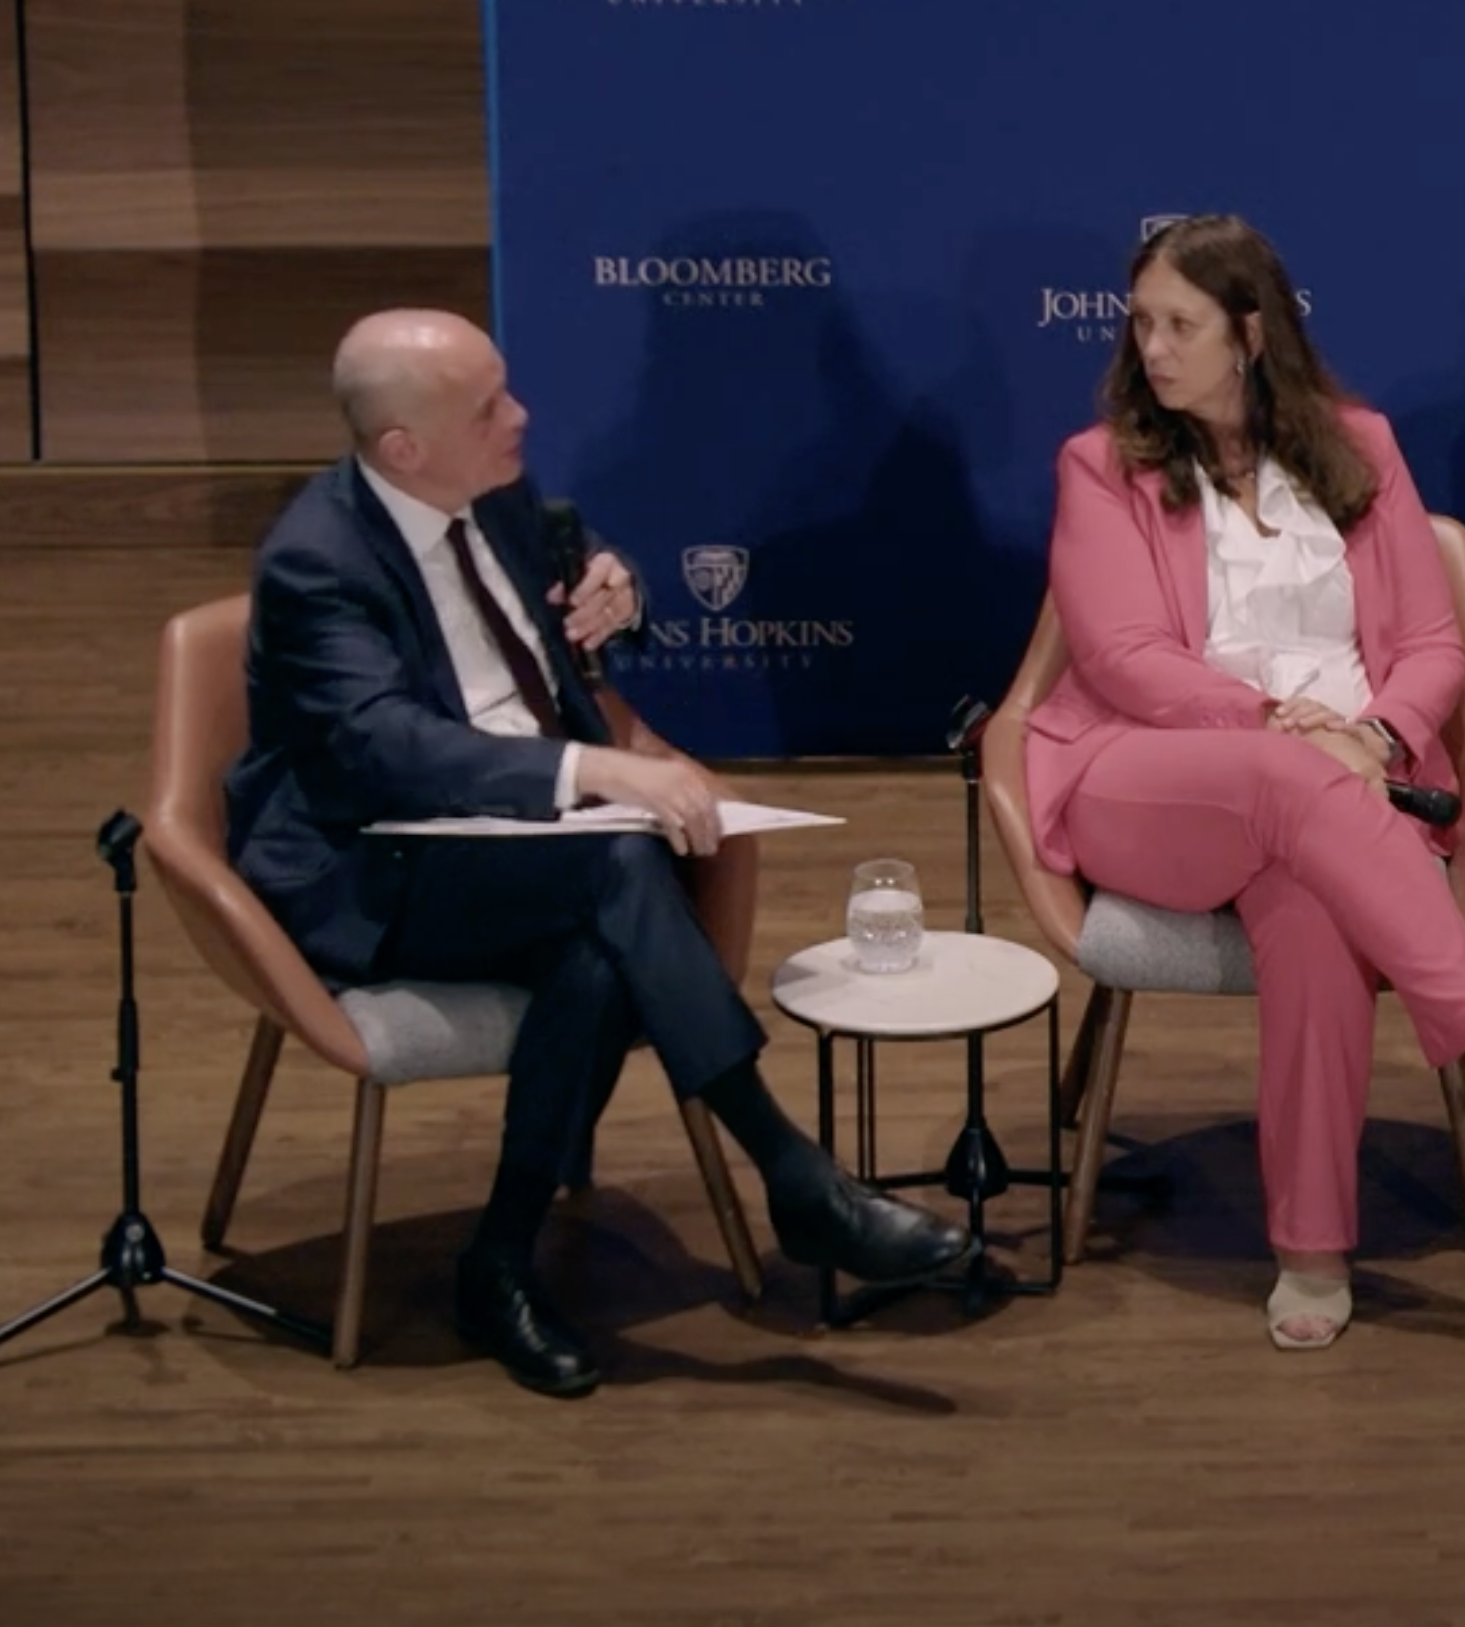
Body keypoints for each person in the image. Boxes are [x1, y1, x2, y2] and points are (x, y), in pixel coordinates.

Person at [228, 309, 977, 1399]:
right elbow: (384, 749)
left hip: (526, 847)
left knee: (595, 948)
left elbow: (565, 642)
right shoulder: (315, 562)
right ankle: (793, 1175)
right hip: (374, 868)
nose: (521, 416)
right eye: (489, 406)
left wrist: (617, 597)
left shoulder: (502, 494)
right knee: (616, 867)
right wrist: (599, 777)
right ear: (403, 450)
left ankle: (500, 1261)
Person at [1024, 215, 1465, 1351]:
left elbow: (1433, 646)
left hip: (1345, 792)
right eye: (1140, 322)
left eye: (1179, 324)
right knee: (1288, 790)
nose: (1152, 347)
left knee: (1312, 909)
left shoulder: (1361, 448)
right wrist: (1281, 730)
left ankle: (1310, 1248)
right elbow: (1125, 659)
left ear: (1249, 332)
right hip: (1144, 782)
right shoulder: (1102, 467)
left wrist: (1377, 739)